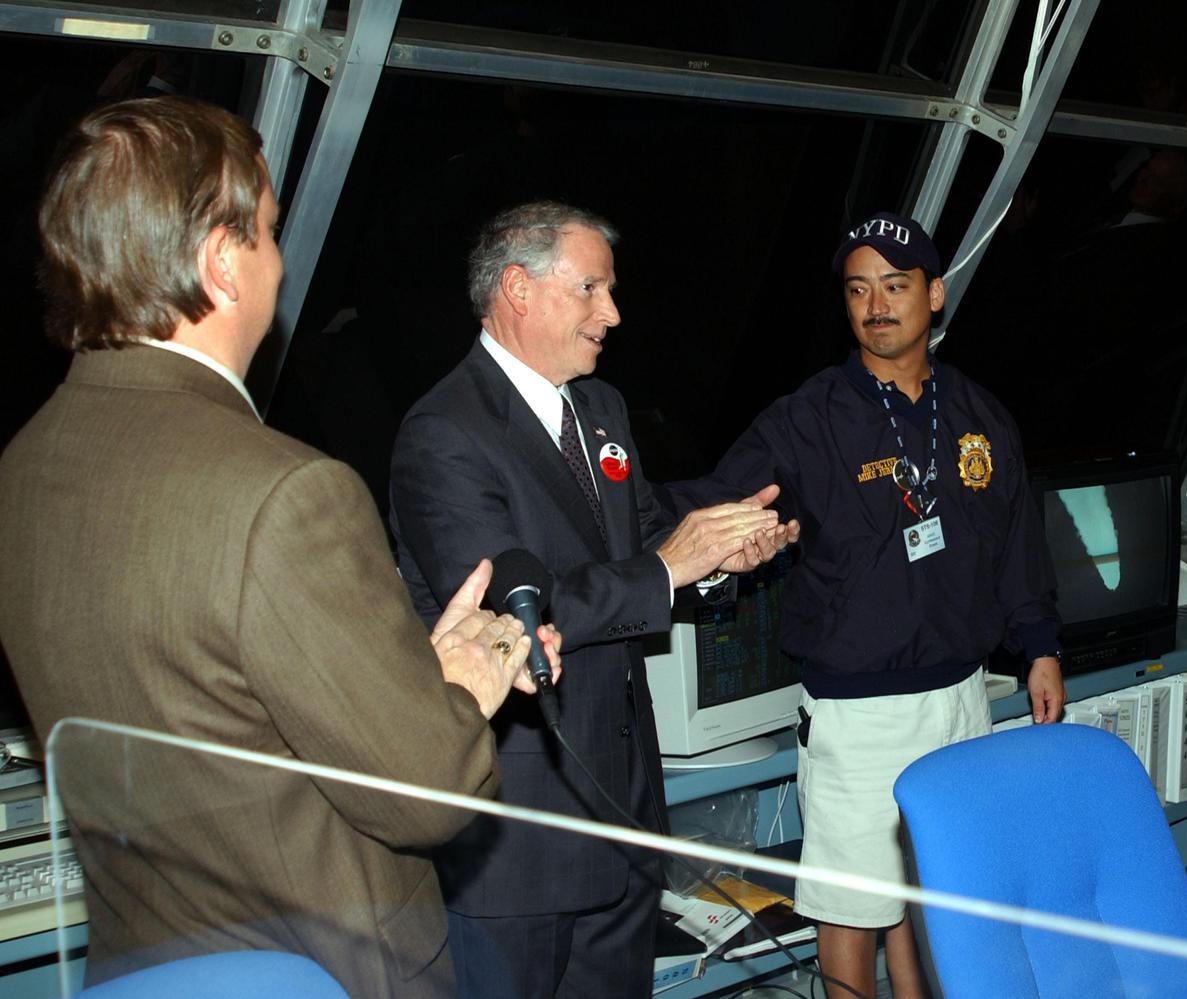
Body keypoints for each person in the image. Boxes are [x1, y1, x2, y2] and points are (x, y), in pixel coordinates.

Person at [0, 96, 560, 998]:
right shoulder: (286, 494)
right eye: (266, 232)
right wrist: (464, 679)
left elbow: (209, 704)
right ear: (224, 265)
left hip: (147, 970)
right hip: (326, 970)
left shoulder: (22, 471)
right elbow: (424, 791)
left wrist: (392, 677)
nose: (278, 261)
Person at [388, 200, 799, 998]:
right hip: (518, 844)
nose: (612, 314)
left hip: (626, 820)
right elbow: (505, 622)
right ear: (517, 288)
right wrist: (668, 569)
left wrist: (721, 559)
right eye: (591, 290)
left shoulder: (602, 411)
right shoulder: (443, 431)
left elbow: (645, 540)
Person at [665, 211, 1065, 999]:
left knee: (929, 891)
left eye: (895, 285)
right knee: (851, 904)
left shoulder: (981, 417)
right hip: (858, 710)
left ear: (935, 295)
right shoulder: (806, 421)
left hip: (961, 699)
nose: (877, 304)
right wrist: (612, 521)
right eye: (858, 289)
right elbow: (713, 502)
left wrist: (1040, 645)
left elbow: (1019, 542)